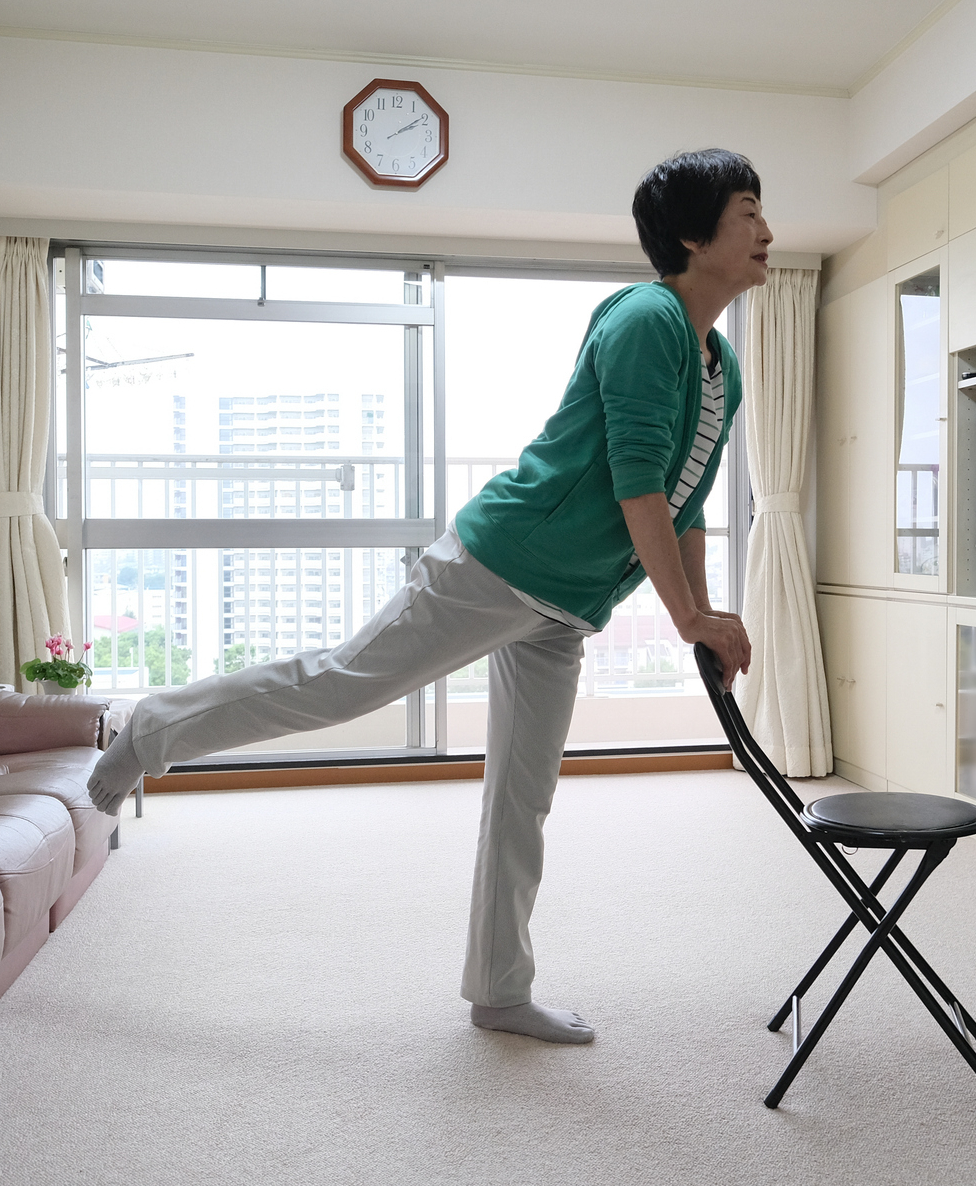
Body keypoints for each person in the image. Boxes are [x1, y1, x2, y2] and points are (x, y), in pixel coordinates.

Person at [86, 148, 770, 1043]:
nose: (766, 231)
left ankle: (498, 987)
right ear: (692, 233)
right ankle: (150, 727)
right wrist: (687, 615)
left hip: (563, 605)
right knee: (340, 682)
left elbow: (687, 503)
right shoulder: (647, 318)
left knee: (522, 792)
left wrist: (704, 618)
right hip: (498, 563)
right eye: (748, 211)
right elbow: (635, 480)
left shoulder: (720, 363)